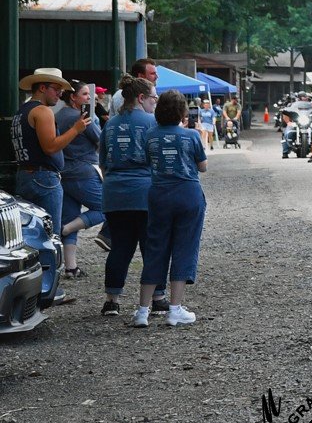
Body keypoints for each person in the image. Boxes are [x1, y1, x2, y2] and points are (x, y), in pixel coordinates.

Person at [132, 90, 208, 328]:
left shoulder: (150, 136)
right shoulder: (191, 135)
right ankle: (175, 309)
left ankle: (142, 311)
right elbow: (202, 166)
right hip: (188, 194)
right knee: (184, 247)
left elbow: (146, 161)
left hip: (159, 194)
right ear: (182, 112)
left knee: (155, 248)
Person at [99, 75, 167, 316]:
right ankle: (158, 297)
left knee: (120, 248)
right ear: (141, 98)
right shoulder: (152, 123)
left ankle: (112, 300)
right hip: (145, 192)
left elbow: (103, 163)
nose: (155, 103)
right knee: (152, 247)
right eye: (153, 98)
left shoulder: (109, 124)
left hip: (115, 193)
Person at [11, 68, 91, 250]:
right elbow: (51, 146)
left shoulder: (20, 112)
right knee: (50, 236)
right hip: (44, 178)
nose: (60, 93)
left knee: (29, 234)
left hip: (24, 175)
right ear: (42, 88)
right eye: (56, 89)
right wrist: (76, 129)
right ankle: (51, 276)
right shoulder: (43, 111)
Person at [56, 80, 105, 278]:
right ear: (73, 97)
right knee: (106, 207)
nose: (89, 98)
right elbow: (100, 140)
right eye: (85, 94)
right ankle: (64, 229)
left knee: (71, 214)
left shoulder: (57, 116)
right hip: (83, 171)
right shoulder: (82, 117)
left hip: (63, 172)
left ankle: (70, 267)